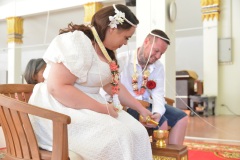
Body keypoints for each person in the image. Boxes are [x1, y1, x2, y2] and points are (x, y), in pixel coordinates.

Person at [28, 4, 153, 160]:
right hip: (60, 106)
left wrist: (140, 109)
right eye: (126, 37)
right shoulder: (78, 41)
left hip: (88, 104)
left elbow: (112, 85)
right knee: (119, 136)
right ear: (112, 28)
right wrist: (102, 108)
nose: (126, 43)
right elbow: (57, 88)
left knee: (138, 132)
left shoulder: (107, 50)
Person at [117, 29, 188, 145]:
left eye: (161, 53)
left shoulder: (158, 66)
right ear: (146, 42)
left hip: (148, 104)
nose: (158, 56)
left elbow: (158, 94)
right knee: (162, 123)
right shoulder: (122, 60)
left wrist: (158, 113)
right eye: (156, 51)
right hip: (129, 106)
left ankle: (172, 157)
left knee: (182, 118)